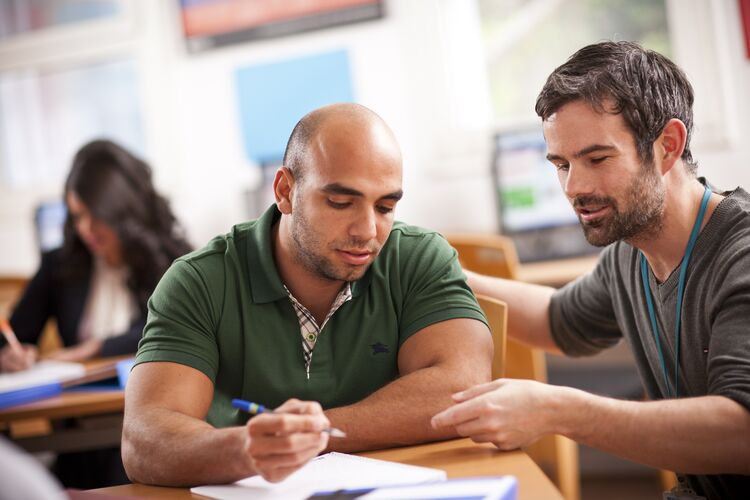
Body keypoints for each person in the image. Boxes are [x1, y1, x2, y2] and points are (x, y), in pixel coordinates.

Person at [431, 41, 750, 499]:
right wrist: (434, 273)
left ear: (667, 146)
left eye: (597, 159)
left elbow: (742, 433)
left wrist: (558, 410)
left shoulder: (741, 255)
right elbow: (559, 320)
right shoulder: (631, 253)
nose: (573, 187)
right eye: (561, 165)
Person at [122, 103, 493, 487]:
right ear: (285, 191)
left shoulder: (420, 257)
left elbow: (462, 388)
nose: (367, 230)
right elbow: (144, 441)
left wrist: (311, 434)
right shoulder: (197, 281)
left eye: (385, 207)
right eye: (340, 202)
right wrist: (245, 449)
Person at [0, 139, 192, 487]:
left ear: (122, 211)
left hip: (156, 426)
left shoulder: (174, 261)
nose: (86, 229)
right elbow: (14, 332)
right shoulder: (61, 265)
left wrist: (94, 348)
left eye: (96, 216)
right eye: (77, 217)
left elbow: (169, 328)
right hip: (79, 441)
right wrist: (11, 352)